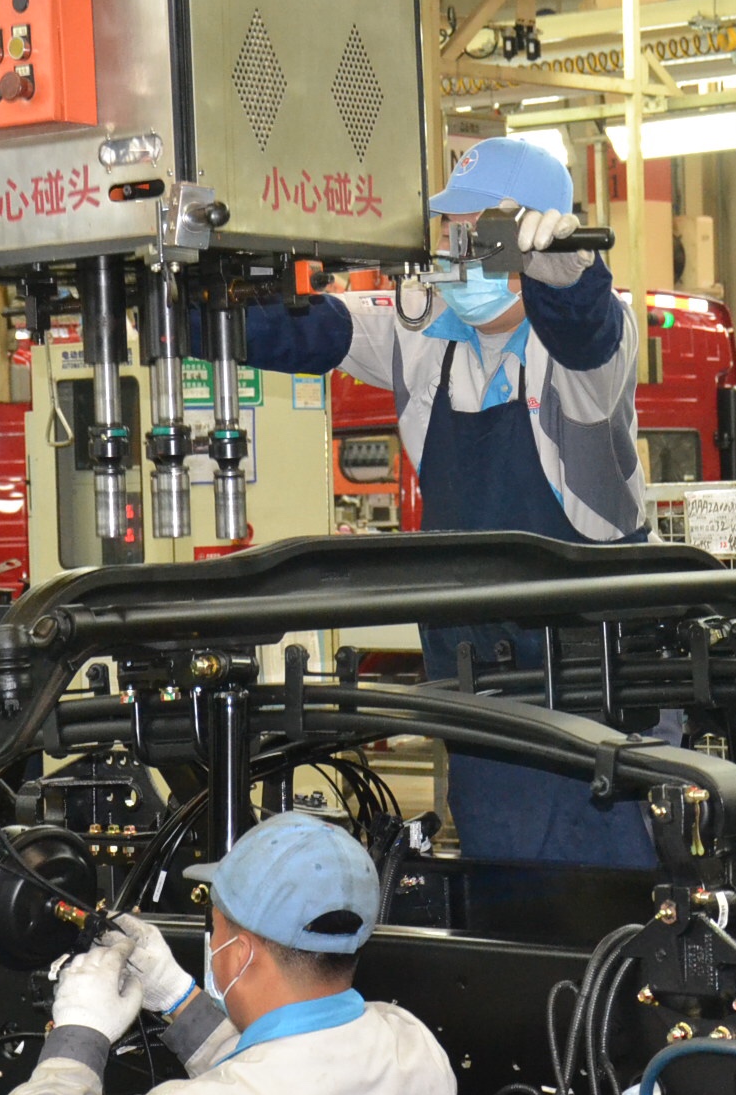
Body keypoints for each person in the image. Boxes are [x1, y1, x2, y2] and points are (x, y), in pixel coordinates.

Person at [241, 136, 653, 866]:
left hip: (588, 697)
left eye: (479, 228)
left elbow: (586, 332)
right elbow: (310, 328)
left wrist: (570, 278)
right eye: (447, 227)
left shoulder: (590, 350)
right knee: (499, 891)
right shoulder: (424, 330)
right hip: (476, 695)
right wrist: (183, 298)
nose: (455, 247)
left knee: (604, 898)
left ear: (534, 235)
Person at [0, 812, 461, 1095]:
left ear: (239, 954)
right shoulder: (413, 1045)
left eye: (215, 928)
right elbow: (281, 1089)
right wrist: (177, 997)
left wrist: (78, 1034)